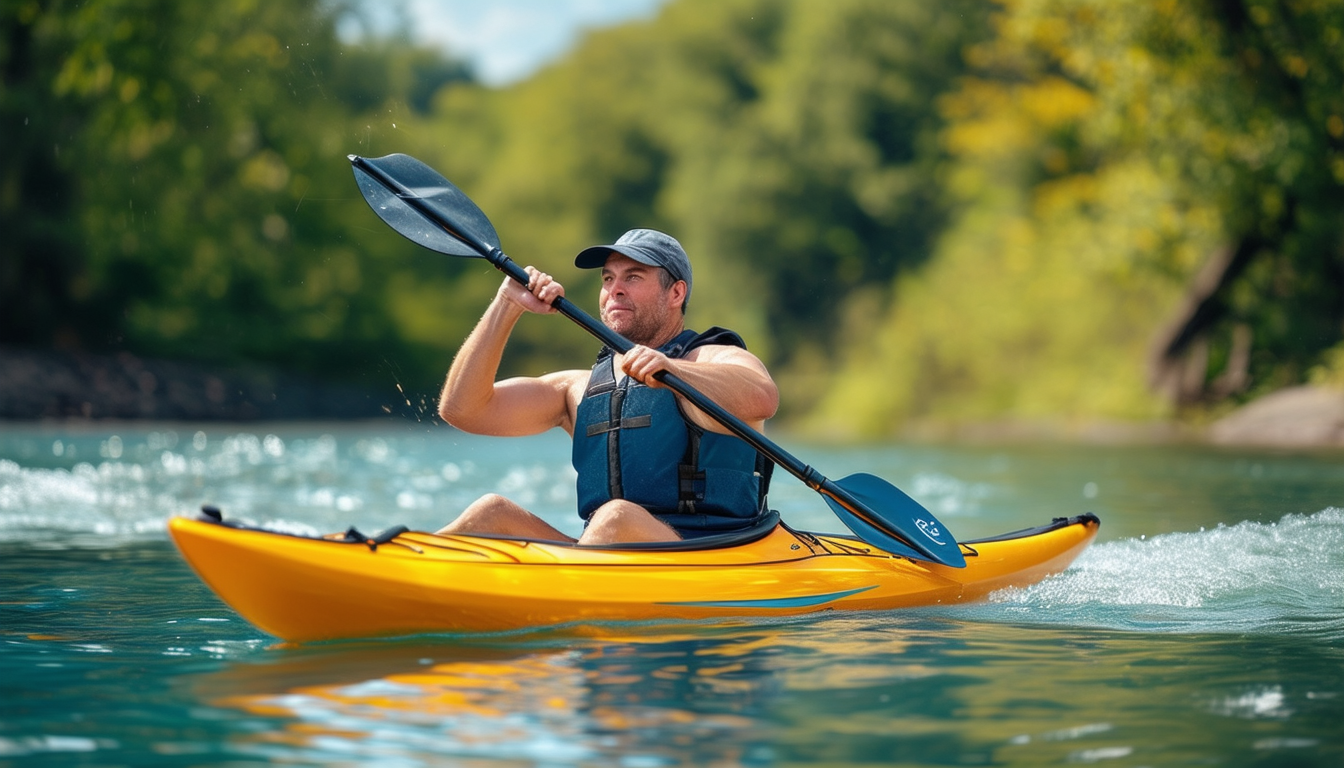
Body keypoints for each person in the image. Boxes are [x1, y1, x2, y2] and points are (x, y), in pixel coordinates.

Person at [436, 228, 779, 545]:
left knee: (617, 516)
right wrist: (506, 305)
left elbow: (763, 397)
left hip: (714, 553)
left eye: (633, 277)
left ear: (676, 292)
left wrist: (674, 370)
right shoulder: (576, 388)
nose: (615, 288)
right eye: (608, 278)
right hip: (603, 556)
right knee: (491, 513)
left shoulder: (712, 357)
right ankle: (401, 576)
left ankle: (565, 598)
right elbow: (463, 410)